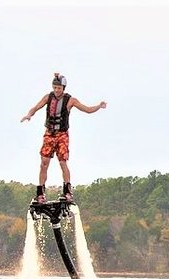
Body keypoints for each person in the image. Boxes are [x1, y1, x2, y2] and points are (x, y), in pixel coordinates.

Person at [21, 72, 107, 203]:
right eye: (54, 87)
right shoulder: (47, 98)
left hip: (62, 134)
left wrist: (99, 106)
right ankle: (40, 193)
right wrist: (29, 115)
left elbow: (87, 109)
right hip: (49, 133)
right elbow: (35, 108)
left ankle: (67, 191)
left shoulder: (70, 100)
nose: (56, 90)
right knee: (44, 163)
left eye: (59, 88)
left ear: (63, 88)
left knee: (62, 162)